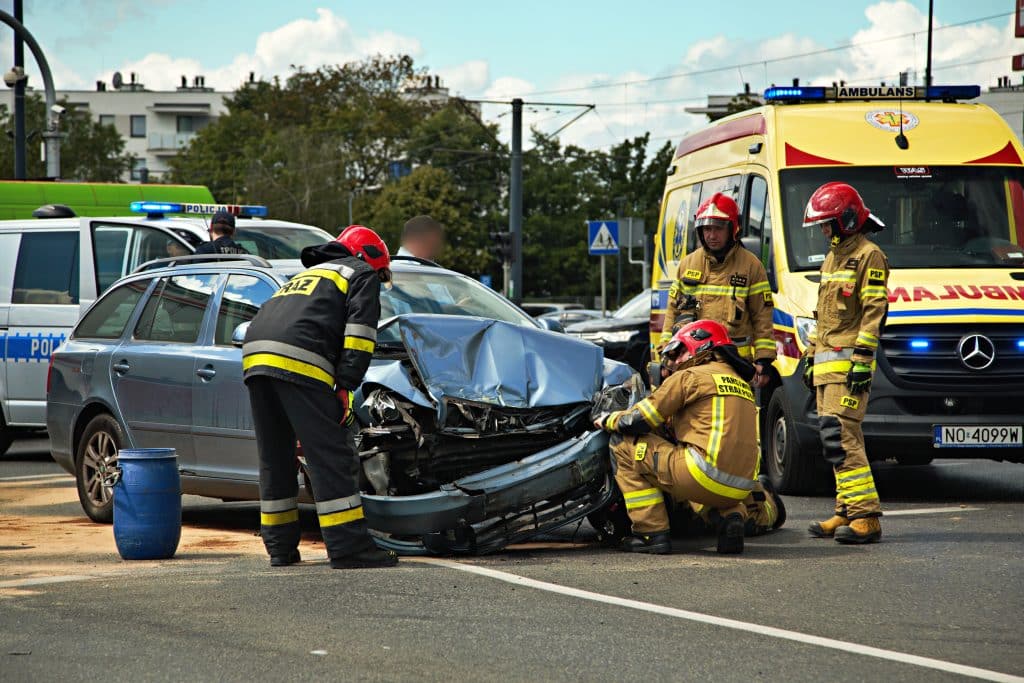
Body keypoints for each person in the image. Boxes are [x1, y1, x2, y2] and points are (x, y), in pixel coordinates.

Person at [242, 225, 397, 569]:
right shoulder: (359, 273)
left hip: (256, 361)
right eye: (381, 272)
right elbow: (359, 337)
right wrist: (346, 385)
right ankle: (350, 548)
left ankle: (280, 548)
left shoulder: (310, 275)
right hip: (300, 362)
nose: (380, 279)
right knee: (331, 456)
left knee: (275, 458)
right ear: (367, 257)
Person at [597, 320, 785, 555]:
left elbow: (640, 419)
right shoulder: (741, 383)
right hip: (742, 485)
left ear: (702, 345)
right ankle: (731, 515)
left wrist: (607, 419)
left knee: (623, 446)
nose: (675, 361)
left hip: (703, 474)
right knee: (689, 463)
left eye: (679, 352)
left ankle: (650, 533)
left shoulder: (690, 377)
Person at [801, 182, 889, 544]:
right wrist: (809, 357)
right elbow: (823, 317)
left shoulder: (870, 255)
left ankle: (866, 516)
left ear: (848, 219)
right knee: (832, 441)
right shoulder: (833, 257)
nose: (823, 231)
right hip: (826, 367)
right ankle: (845, 511)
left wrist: (862, 360)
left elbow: (873, 313)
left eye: (827, 223)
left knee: (844, 438)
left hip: (849, 367)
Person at [659, 193, 775, 388]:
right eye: (707, 229)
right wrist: (665, 356)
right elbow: (672, 313)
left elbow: (762, 317)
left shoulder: (751, 266)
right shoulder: (688, 264)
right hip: (692, 364)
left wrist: (764, 360)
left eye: (718, 229)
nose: (711, 236)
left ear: (733, 229)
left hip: (735, 367)